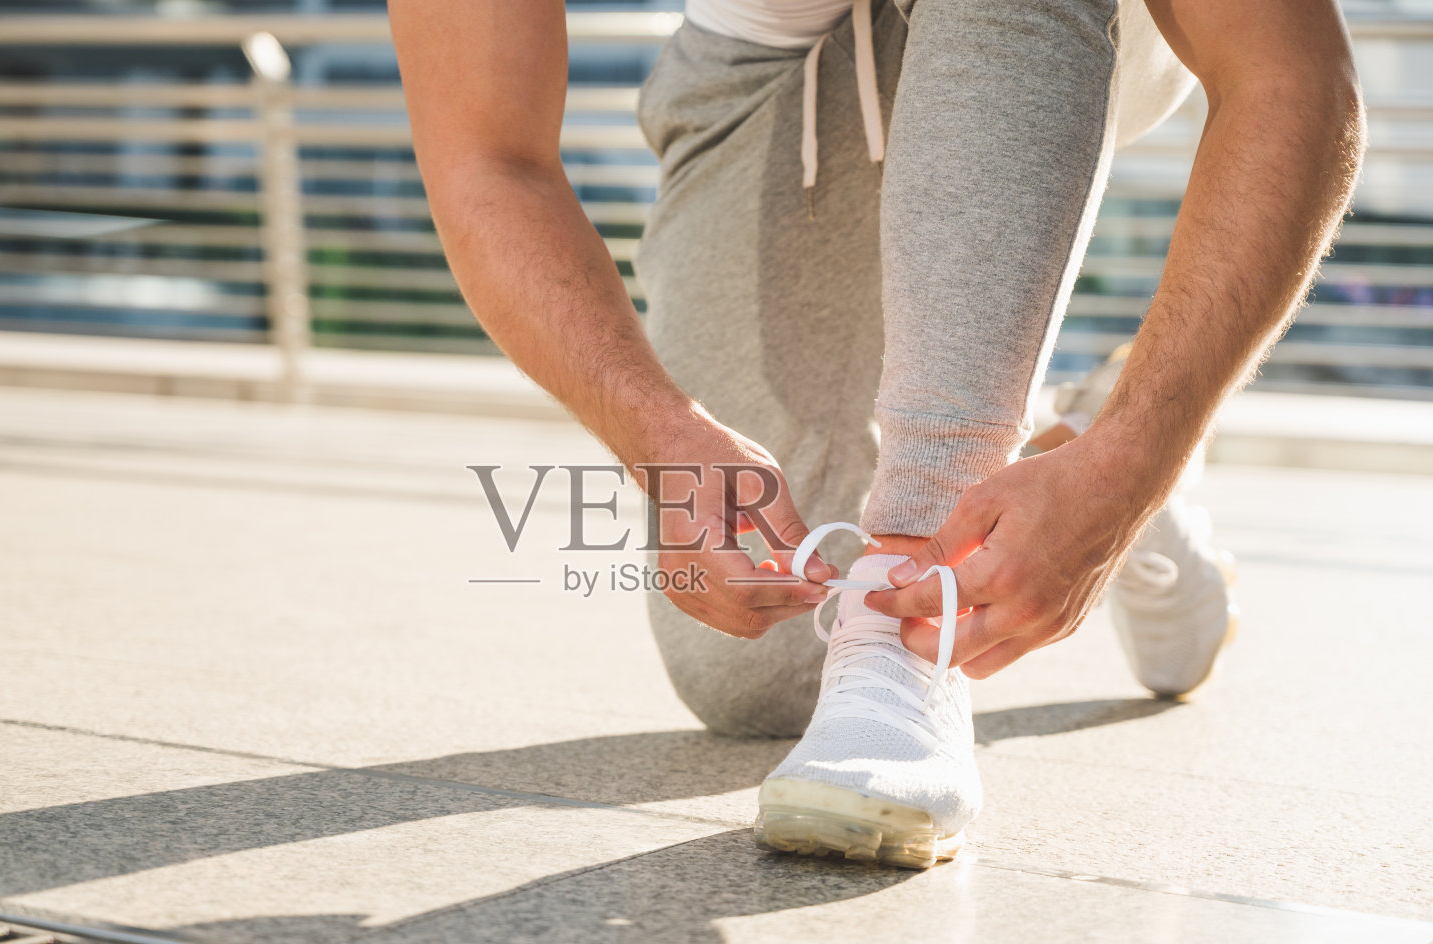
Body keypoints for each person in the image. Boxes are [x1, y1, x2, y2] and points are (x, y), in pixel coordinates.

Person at [389, 0, 1363, 867]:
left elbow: (1291, 77)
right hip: (771, 60)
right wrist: (663, 437)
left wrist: (1137, 464)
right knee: (749, 679)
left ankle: (915, 614)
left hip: (1086, 26)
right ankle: (1070, 443)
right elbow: (487, 158)